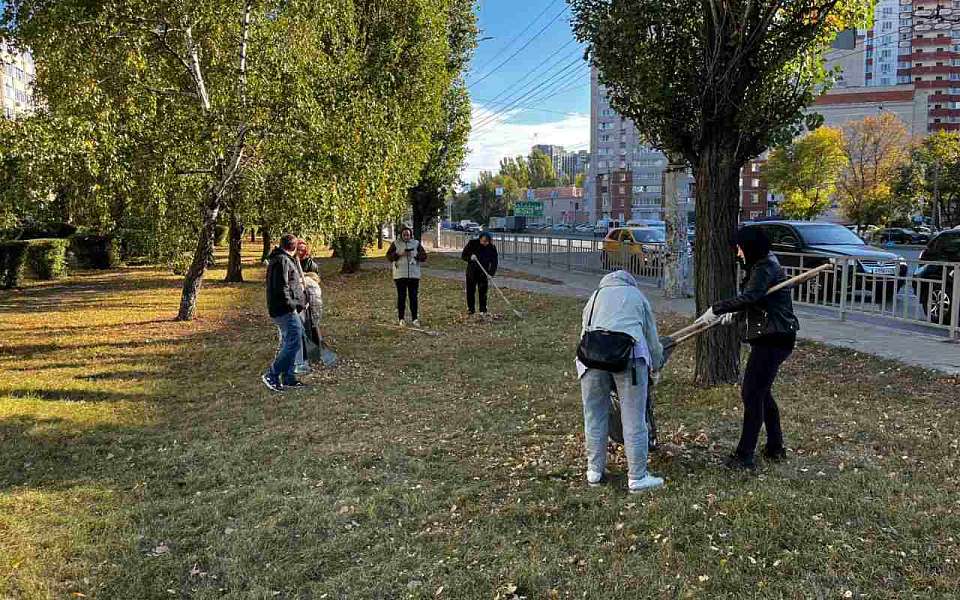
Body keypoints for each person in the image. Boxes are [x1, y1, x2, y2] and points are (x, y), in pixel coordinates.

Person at [695, 226, 799, 470]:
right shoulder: (761, 264)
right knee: (762, 393)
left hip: (773, 338)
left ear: (751, 247)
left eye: (740, 248)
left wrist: (718, 308)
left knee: (752, 394)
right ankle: (775, 448)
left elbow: (752, 296)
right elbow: (758, 300)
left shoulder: (764, 267)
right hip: (774, 335)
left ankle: (744, 456)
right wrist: (736, 315)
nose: (738, 253)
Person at [576, 270, 665, 493]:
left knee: (594, 415)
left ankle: (594, 471)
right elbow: (651, 336)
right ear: (630, 282)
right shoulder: (637, 297)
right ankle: (637, 477)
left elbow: (584, 331)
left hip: (591, 360)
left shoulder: (594, 296)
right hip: (630, 360)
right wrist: (656, 363)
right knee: (633, 417)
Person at [262, 233, 308, 392]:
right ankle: (272, 374)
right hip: (284, 309)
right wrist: (293, 305)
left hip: (286, 307)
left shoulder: (283, 259)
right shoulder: (282, 260)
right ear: (294, 247)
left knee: (295, 339)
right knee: (294, 341)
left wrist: (301, 302)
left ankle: (288, 378)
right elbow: (282, 287)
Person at [386, 227, 427, 327]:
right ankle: (401, 319)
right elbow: (389, 257)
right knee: (401, 297)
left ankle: (415, 319)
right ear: (401, 235)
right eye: (404, 235)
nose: (406, 237)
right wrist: (399, 254)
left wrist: (415, 255)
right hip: (400, 275)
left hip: (414, 275)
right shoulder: (396, 244)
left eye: (408, 235)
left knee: (413, 297)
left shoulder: (416, 243)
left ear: (411, 235)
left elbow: (424, 256)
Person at [461, 232, 498, 316]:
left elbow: (494, 262)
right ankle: (471, 309)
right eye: (484, 241)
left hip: (484, 272)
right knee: (470, 291)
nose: (485, 243)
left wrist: (491, 274)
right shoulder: (472, 244)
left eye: (487, 241)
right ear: (480, 239)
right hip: (472, 272)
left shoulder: (492, 247)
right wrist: (470, 257)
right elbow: (463, 256)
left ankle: (483, 309)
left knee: (483, 292)